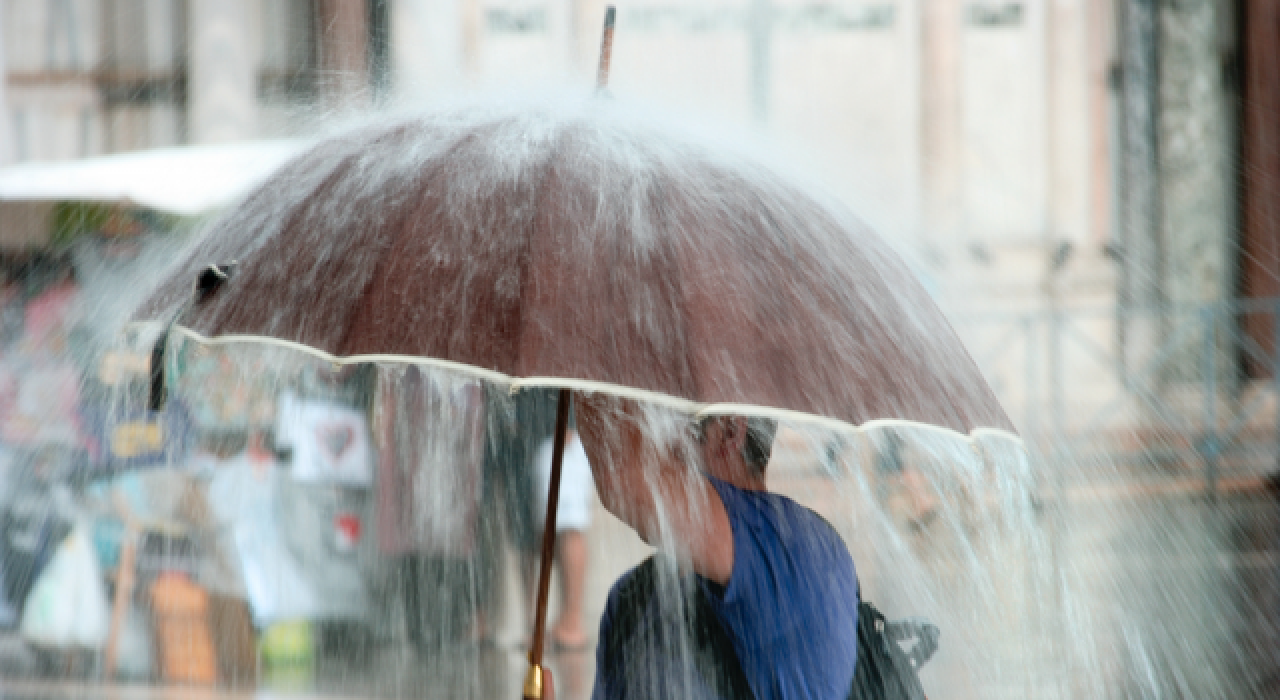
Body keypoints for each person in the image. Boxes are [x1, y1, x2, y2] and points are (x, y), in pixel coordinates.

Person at [572, 395, 861, 700]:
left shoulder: (801, 548)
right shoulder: (633, 595)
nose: (649, 440)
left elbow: (623, 477)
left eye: (658, 420)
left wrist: (581, 359)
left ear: (729, 431)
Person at [531, 422, 594, 652]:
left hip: (561, 429)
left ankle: (572, 623)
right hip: (531, 430)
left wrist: (569, 421)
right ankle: (556, 622)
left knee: (569, 523)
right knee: (547, 528)